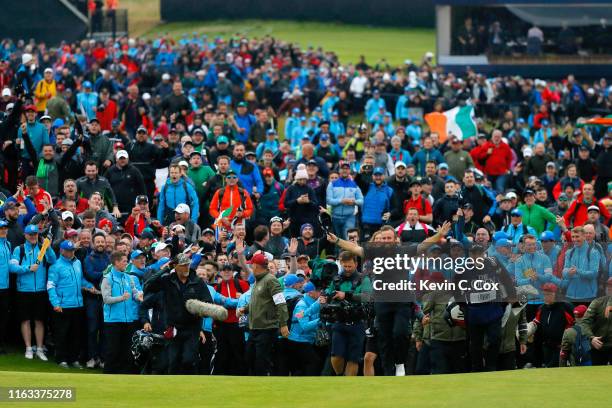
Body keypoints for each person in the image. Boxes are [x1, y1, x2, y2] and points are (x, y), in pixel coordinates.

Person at [144, 253, 211, 374]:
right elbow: (148, 285)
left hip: (192, 328)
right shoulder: (167, 280)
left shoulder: (198, 282)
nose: (186, 268)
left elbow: (208, 302)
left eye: (188, 265)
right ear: (175, 266)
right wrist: (166, 268)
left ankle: (190, 385)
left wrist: (200, 310)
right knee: (172, 361)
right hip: (172, 328)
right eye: (183, 265)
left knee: (189, 360)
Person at [236, 252, 289, 376]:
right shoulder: (257, 281)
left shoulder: (271, 280)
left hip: (267, 328)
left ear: (255, 266)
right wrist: (244, 309)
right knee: (249, 358)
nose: (250, 267)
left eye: (251, 265)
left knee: (261, 362)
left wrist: (283, 324)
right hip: (255, 328)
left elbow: (280, 303)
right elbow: (256, 301)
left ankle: (262, 387)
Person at [10, 224, 57, 360]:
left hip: (40, 291)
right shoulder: (20, 249)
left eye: (35, 234)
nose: (33, 237)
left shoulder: (42, 248)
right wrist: (28, 268)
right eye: (30, 234)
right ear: (25, 235)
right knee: (25, 320)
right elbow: (12, 267)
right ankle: (28, 348)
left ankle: (40, 349)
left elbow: (53, 260)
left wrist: (47, 248)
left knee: (39, 320)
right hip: (23, 291)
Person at [47, 240, 96, 368]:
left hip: (77, 304)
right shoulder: (55, 265)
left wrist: (89, 286)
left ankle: (73, 359)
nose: (71, 252)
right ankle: (61, 359)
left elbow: (80, 280)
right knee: (62, 334)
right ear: (62, 251)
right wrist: (55, 303)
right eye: (68, 250)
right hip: (63, 305)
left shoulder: (77, 263)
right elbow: (51, 286)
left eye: (73, 250)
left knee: (76, 334)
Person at [326, 251, 372, 376]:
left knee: (353, 358)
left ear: (356, 264)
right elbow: (328, 295)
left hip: (357, 322)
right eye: (344, 266)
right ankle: (340, 376)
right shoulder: (335, 280)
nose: (347, 269)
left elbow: (367, 297)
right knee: (336, 356)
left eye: (349, 266)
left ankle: (348, 384)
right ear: (341, 263)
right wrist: (325, 298)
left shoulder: (364, 279)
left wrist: (346, 295)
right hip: (339, 321)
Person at [101, 251, 143, 374]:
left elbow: (134, 292)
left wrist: (139, 297)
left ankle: (124, 376)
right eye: (124, 261)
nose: (127, 263)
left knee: (126, 350)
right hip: (113, 321)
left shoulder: (128, 277)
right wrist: (121, 298)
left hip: (128, 320)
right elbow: (106, 299)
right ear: (116, 262)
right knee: (113, 350)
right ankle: (108, 375)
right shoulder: (107, 279)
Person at [579, 278, 612, 365]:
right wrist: (591, 337)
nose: (609, 288)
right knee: (598, 376)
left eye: (611, 286)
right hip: (599, 346)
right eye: (608, 285)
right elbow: (584, 322)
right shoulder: (597, 302)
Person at [326, 162, 363, 239]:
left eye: (347, 168)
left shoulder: (354, 185)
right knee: (337, 241)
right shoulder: (332, 184)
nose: (345, 170)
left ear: (349, 170)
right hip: (335, 217)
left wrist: (354, 202)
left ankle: (348, 251)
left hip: (349, 217)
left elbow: (361, 201)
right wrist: (341, 201)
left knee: (348, 239)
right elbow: (329, 200)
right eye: (343, 168)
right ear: (339, 170)